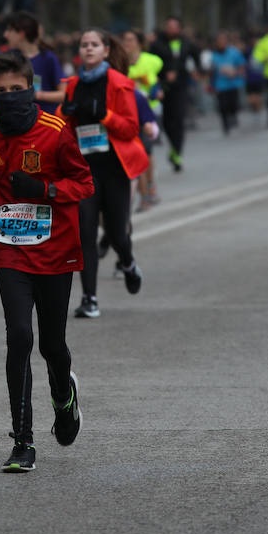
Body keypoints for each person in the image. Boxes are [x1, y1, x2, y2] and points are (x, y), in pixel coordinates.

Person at [0, 50, 94, 472]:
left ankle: (63, 397)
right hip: (11, 247)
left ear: (31, 88)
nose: (10, 97)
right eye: (1, 92)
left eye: (17, 89)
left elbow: (83, 184)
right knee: (19, 337)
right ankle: (23, 441)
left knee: (52, 345)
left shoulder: (56, 131)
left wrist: (44, 189)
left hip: (56, 249)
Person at [59, 28, 148, 319]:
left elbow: (131, 128)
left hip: (115, 168)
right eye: (84, 45)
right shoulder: (72, 85)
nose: (88, 49)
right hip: (85, 169)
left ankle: (128, 262)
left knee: (116, 233)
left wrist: (104, 115)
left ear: (106, 50)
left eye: (94, 45)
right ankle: (90, 299)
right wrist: (66, 114)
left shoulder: (120, 84)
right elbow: (64, 125)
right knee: (85, 233)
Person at [149, 17, 199, 172]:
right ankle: (173, 146)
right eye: (168, 26)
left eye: (174, 27)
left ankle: (177, 152)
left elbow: (196, 57)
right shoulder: (157, 44)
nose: (171, 29)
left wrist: (196, 71)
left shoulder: (186, 43)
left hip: (180, 87)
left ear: (179, 28)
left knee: (178, 119)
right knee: (167, 121)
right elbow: (151, 64)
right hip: (163, 87)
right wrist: (163, 75)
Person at [120, 29, 162, 206]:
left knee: (146, 151)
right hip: (129, 112)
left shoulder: (152, 60)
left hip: (149, 110)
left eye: (130, 39)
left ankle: (150, 187)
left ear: (139, 42)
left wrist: (156, 91)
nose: (127, 43)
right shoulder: (120, 63)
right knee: (135, 153)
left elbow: (156, 81)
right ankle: (144, 195)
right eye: (125, 39)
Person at [2, 12, 65, 111]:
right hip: (18, 119)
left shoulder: (48, 58)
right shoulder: (10, 57)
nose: (5, 35)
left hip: (45, 121)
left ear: (21, 34)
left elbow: (64, 94)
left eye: (9, 30)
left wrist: (35, 95)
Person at [210, 31, 247, 136]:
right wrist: (211, 83)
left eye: (223, 40)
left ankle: (233, 117)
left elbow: (242, 67)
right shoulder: (214, 55)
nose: (221, 43)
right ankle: (225, 125)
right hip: (220, 85)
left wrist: (234, 72)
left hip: (233, 84)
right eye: (219, 41)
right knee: (222, 106)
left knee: (232, 104)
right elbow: (212, 71)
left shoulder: (234, 52)